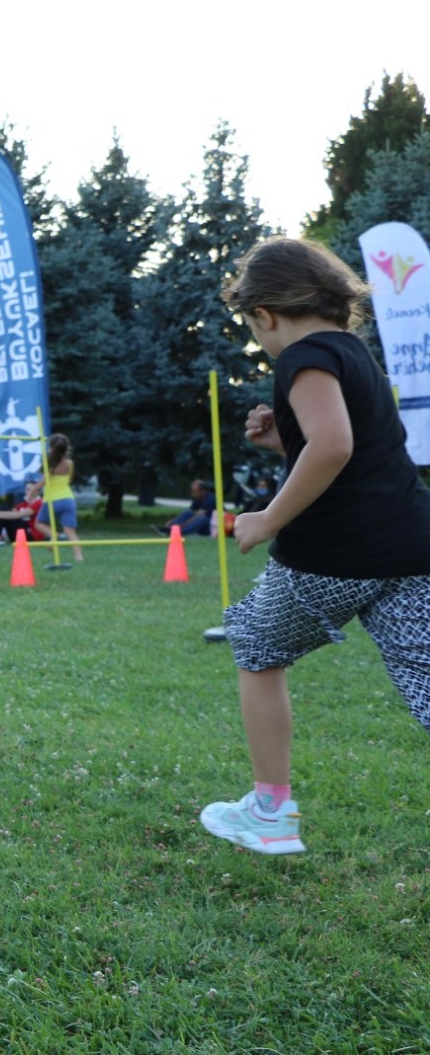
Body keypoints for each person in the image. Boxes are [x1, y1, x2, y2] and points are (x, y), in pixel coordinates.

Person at [199, 237, 430, 856]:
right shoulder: (355, 354)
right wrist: (286, 443)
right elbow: (354, 451)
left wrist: (268, 518)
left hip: (333, 553)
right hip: (410, 547)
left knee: (256, 646)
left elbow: (332, 448)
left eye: (255, 330)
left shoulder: (301, 357)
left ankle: (270, 813)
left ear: (264, 315)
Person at [36, 433, 83, 562]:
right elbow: (69, 480)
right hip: (68, 499)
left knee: (39, 523)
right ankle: (79, 557)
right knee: (70, 531)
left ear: (51, 448)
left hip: (51, 499)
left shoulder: (49, 463)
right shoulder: (69, 463)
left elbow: (43, 481)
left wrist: (31, 493)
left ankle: (55, 536)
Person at [0, 481, 48, 545]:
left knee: (4, 510)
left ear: (37, 491)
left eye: (31, 489)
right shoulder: (23, 504)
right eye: (27, 489)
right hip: (21, 533)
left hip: (33, 535)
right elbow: (10, 513)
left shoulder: (39, 502)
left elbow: (18, 515)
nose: (29, 492)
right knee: (4, 510)